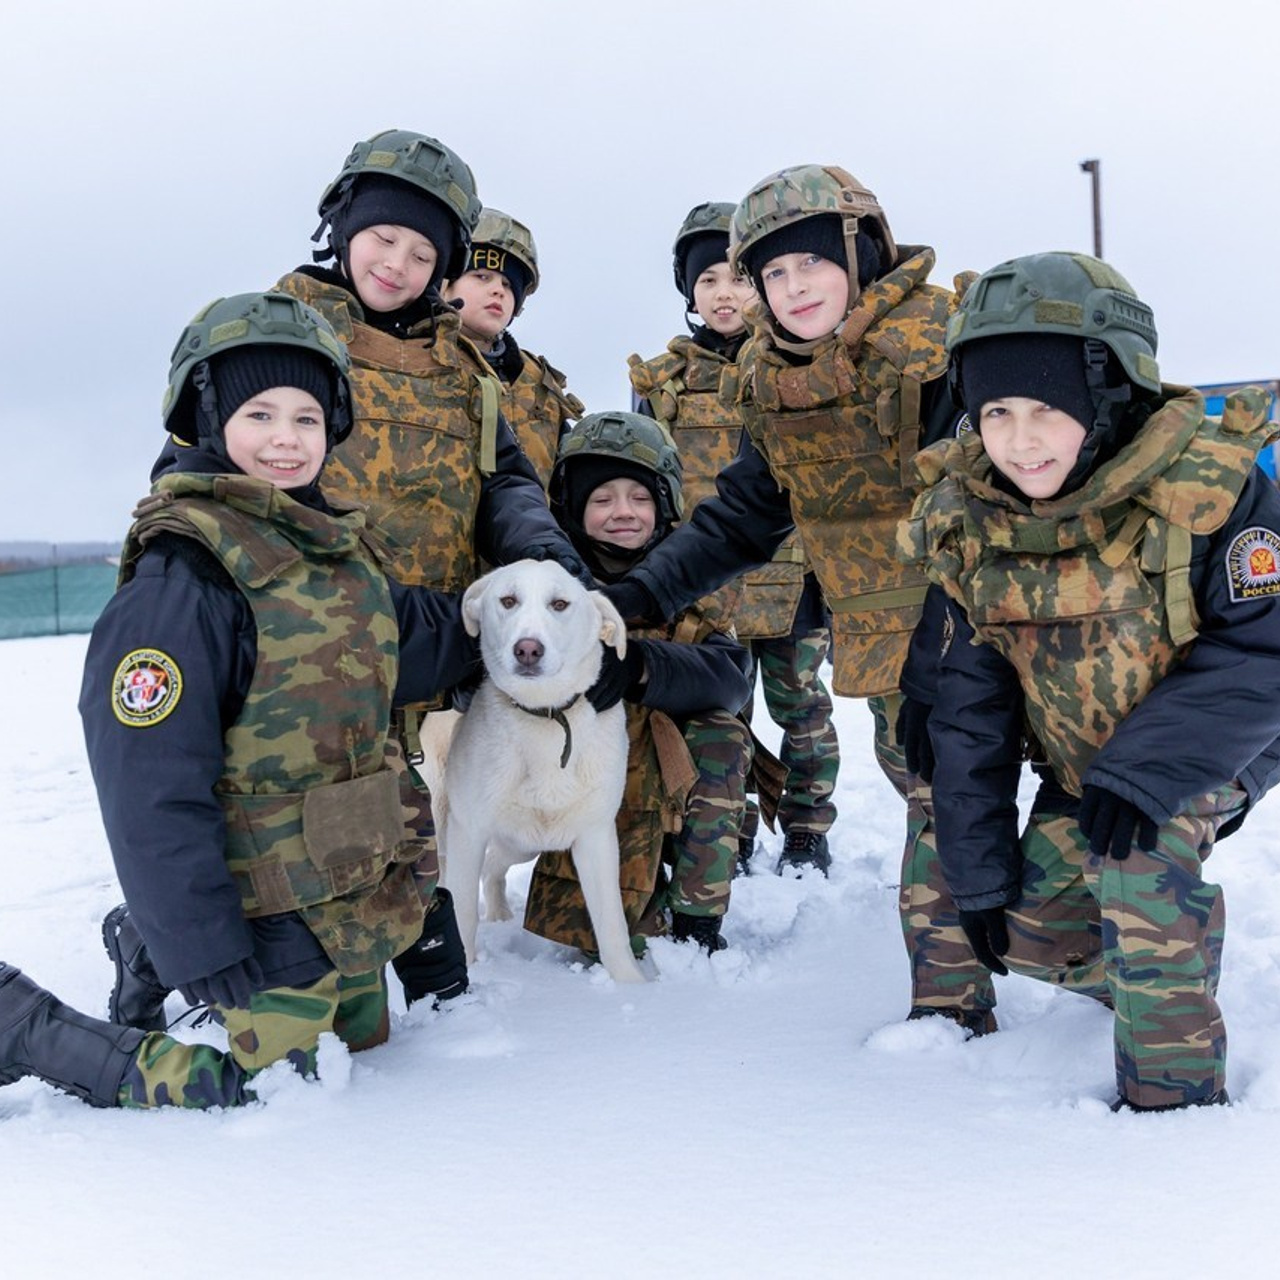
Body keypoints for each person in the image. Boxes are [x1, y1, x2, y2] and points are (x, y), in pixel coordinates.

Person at [1, 292, 481, 1109]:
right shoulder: (184, 579)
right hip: (256, 909)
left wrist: (528, 629)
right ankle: (29, 1027)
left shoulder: (340, 551)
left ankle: (140, 944)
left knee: (364, 1048)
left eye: (306, 418)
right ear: (208, 417)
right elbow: (148, 783)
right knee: (273, 1093)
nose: (286, 439)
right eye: (260, 414)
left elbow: (409, 647)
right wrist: (197, 940)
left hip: (351, 889)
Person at [598, 166, 991, 1029]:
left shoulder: (943, 345)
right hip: (895, 646)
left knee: (1050, 821)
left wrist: (948, 640)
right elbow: (742, 516)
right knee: (943, 807)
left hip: (1003, 629)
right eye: (772, 272)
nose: (793, 287)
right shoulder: (777, 379)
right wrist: (635, 598)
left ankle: (987, 1005)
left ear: (861, 255)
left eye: (812, 263)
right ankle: (962, 1012)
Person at [898, 251, 1280, 1110]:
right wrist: (980, 876)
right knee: (1026, 929)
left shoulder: (1210, 491)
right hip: (1086, 757)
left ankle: (1174, 1106)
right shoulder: (978, 518)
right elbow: (972, 704)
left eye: (1048, 408)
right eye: (996, 412)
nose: (1020, 440)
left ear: (1109, 396)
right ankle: (1163, 964)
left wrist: (1145, 773)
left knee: (1140, 861)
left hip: (1215, 742)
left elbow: (1265, 651)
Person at [629, 202, 839, 875]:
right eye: (708, 280)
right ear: (689, 291)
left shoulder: (799, 366)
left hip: (793, 574)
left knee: (801, 705)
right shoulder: (662, 384)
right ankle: (733, 827)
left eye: (740, 279)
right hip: (705, 581)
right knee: (726, 710)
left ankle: (806, 825)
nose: (725, 295)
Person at [521, 411, 753, 954]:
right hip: (569, 777)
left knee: (722, 736)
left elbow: (730, 680)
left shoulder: (693, 576)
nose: (623, 512)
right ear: (573, 509)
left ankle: (697, 918)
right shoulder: (544, 584)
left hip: (664, 767)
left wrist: (641, 667)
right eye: (602, 499)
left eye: (640, 498)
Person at [443, 207, 585, 486]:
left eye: (508, 284)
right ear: (446, 284)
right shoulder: (414, 359)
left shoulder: (540, 387)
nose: (498, 290)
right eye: (482, 276)